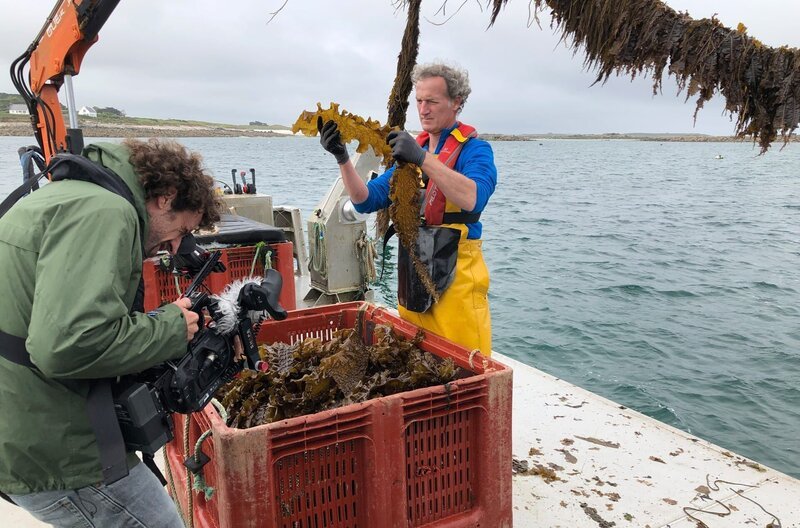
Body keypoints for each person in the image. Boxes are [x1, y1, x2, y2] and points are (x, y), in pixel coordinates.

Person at [0, 138, 221, 527]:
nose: (174, 247)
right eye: (180, 230)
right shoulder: (108, 213)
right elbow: (64, 346)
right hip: (59, 452)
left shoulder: (68, 194)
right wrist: (170, 327)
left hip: (18, 427)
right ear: (165, 197)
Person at [319, 61, 497, 356]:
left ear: (456, 102)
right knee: (417, 356)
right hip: (414, 269)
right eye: (419, 101)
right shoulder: (411, 152)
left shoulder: (475, 150)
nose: (423, 109)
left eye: (432, 101)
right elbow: (366, 199)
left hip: (458, 276)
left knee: (466, 363)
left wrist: (422, 158)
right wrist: (342, 158)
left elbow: (473, 197)